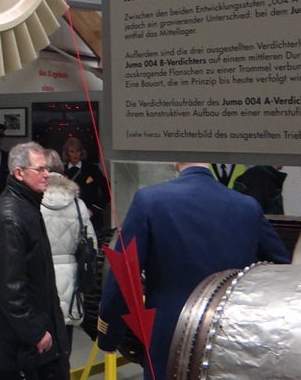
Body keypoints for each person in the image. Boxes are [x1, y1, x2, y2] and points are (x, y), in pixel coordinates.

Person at [97, 161, 290, 380]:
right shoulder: (248, 206)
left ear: (175, 161)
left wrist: (109, 335)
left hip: (171, 337)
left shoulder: (150, 200)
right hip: (233, 336)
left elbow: (125, 275)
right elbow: (281, 270)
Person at [0, 142, 70, 380]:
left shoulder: (27, 207)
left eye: (47, 168)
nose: (47, 174)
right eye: (39, 169)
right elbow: (10, 288)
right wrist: (35, 332)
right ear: (19, 173)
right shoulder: (10, 219)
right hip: (20, 343)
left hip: (31, 334)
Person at [40, 149, 97, 350]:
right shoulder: (78, 204)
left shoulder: (31, 201)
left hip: (39, 276)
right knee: (64, 342)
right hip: (71, 278)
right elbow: (91, 244)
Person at [62, 137, 109, 233]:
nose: (75, 154)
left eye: (78, 151)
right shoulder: (62, 171)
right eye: (72, 151)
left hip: (92, 218)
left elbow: (108, 190)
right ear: (67, 153)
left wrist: (93, 209)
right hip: (68, 219)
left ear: (82, 152)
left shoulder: (92, 169)